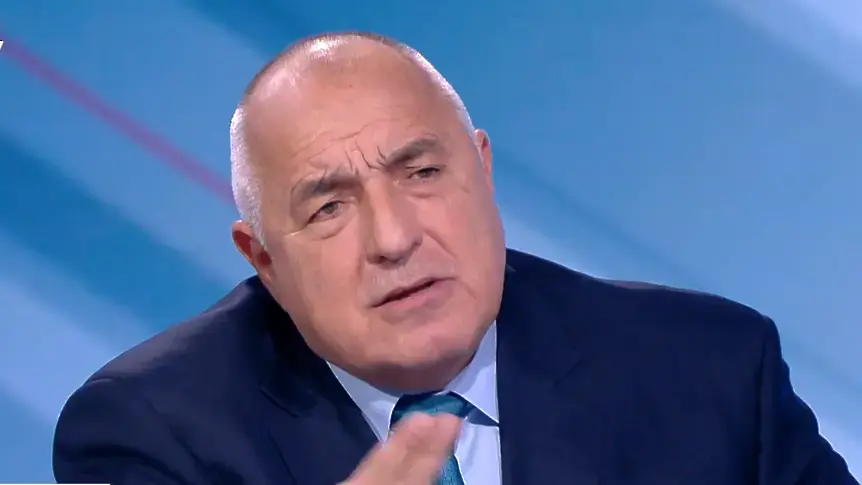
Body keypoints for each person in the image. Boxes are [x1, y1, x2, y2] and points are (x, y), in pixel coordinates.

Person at [52, 31, 858, 485]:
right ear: (263, 258)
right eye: (329, 207)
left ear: (484, 169)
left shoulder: (709, 371)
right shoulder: (150, 435)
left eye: (423, 173)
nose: (394, 238)